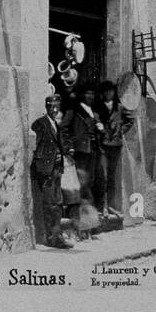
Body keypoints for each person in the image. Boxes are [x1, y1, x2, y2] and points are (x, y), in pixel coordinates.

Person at [30, 95, 73, 249]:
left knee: (57, 202)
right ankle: (52, 237)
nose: (54, 110)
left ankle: (57, 234)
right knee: (50, 204)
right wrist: (42, 164)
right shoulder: (40, 124)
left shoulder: (55, 124)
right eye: (51, 107)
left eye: (57, 107)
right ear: (47, 107)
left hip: (56, 169)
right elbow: (36, 148)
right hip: (46, 170)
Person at [63, 86, 104, 239]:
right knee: (80, 187)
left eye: (92, 93)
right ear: (82, 95)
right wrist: (70, 147)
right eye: (88, 92)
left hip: (93, 152)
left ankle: (89, 225)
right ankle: (79, 225)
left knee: (90, 184)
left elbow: (98, 130)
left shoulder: (94, 112)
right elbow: (64, 128)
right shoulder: (74, 111)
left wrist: (101, 129)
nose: (90, 96)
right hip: (80, 152)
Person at [96, 79, 133, 219]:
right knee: (103, 178)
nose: (108, 93)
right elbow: (96, 120)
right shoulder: (99, 107)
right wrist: (100, 128)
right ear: (103, 93)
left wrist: (120, 131)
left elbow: (131, 120)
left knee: (112, 178)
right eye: (106, 91)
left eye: (110, 91)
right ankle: (103, 207)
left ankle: (112, 207)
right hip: (104, 145)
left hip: (116, 146)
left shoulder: (120, 107)